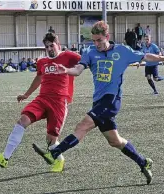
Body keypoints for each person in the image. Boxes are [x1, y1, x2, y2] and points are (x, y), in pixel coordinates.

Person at [33, 21, 164, 184]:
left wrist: (161, 58)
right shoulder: (90, 52)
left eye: (99, 40)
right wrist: (66, 70)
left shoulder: (122, 51)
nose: (96, 44)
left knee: (83, 126)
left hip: (112, 99)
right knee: (115, 141)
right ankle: (143, 162)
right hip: (98, 101)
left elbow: (145, 56)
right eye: (93, 40)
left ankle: (54, 153)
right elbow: (79, 70)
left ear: (107, 37)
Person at [0, 32, 81, 172]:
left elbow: (85, 62)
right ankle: (4, 158)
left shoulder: (69, 56)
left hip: (59, 102)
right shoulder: (42, 62)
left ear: (58, 44)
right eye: (46, 46)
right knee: (22, 120)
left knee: (51, 140)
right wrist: (26, 94)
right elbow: (38, 78)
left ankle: (59, 161)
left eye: (51, 45)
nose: (49, 49)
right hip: (42, 99)